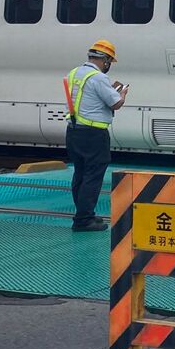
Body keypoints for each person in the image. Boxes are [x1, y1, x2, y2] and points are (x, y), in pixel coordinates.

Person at [65, 40, 128, 232]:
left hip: (74, 131)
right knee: (93, 175)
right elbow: (115, 103)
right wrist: (123, 94)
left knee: (80, 173)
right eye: (109, 62)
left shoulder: (74, 73)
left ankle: (84, 214)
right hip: (93, 134)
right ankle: (83, 220)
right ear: (105, 60)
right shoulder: (98, 77)